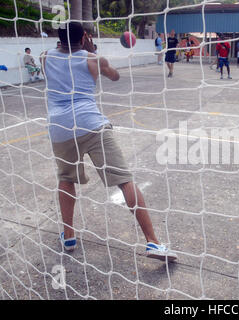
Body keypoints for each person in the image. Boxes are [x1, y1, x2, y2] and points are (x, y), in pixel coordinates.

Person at [40, 22, 177, 262]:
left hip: (60, 128)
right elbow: (115, 76)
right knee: (124, 180)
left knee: (66, 179)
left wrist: (77, 46)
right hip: (91, 124)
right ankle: (153, 243)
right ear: (84, 37)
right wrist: (92, 51)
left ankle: (69, 235)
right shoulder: (93, 60)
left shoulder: (44, 57)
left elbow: (58, 58)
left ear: (58, 38)